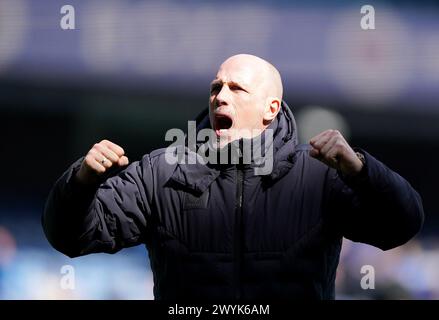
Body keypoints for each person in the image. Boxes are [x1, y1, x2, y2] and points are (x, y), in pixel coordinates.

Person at [42, 54, 424, 300]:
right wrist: (82, 181)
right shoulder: (161, 171)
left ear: (270, 108)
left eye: (236, 88)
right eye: (216, 87)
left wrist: (362, 170)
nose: (220, 96)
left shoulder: (320, 176)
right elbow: (73, 237)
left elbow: (400, 225)